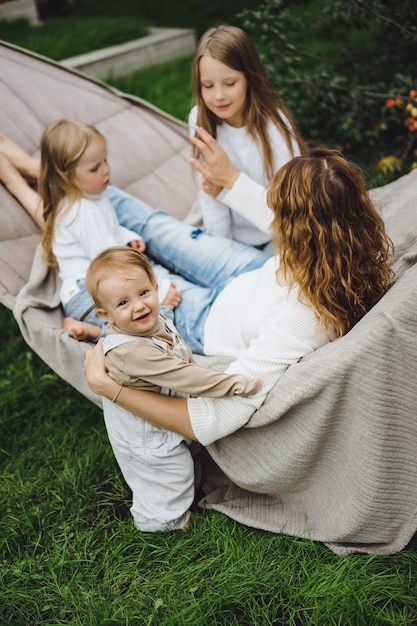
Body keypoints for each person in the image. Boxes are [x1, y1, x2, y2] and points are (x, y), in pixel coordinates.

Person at [85, 148, 394, 447]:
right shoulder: (342, 250)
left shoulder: (304, 321)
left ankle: (59, 209)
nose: (272, 220)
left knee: (116, 275)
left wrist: (110, 389)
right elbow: (306, 216)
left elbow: (210, 421)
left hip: (206, 318)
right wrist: (231, 181)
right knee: (154, 224)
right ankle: (61, 178)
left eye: (276, 212)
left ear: (294, 231)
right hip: (247, 270)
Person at [84, 246, 260, 531]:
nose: (139, 306)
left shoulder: (155, 321)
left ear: (155, 286)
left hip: (166, 417)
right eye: (123, 303)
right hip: (146, 437)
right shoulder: (131, 352)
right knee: (168, 475)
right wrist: (232, 384)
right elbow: (182, 375)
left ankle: (184, 500)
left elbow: (182, 354)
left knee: (187, 461)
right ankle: (163, 522)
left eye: (143, 293)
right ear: (107, 315)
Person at [0, 123, 182, 340]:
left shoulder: (93, 196)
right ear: (68, 177)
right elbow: (112, 264)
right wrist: (159, 291)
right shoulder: (84, 212)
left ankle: (91, 329)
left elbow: (110, 228)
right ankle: (95, 331)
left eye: (104, 161)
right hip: (86, 297)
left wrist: (127, 237)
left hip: (88, 290)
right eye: (95, 168)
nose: (105, 170)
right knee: (154, 322)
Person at [187, 24, 306, 250]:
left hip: (281, 239)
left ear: (250, 78)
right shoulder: (200, 119)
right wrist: (222, 252)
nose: (218, 96)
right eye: (208, 86)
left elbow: (290, 220)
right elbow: (210, 198)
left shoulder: (275, 127)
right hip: (235, 241)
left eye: (230, 84)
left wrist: (230, 180)